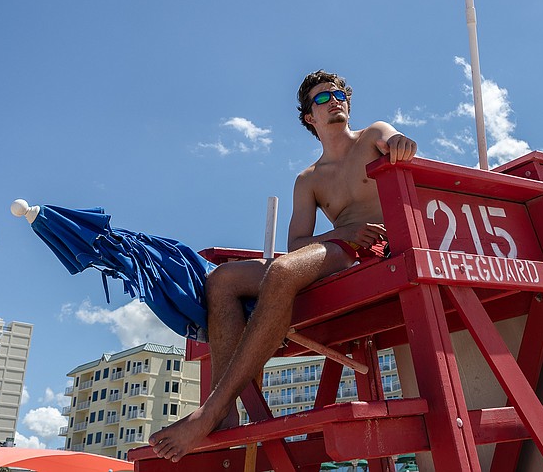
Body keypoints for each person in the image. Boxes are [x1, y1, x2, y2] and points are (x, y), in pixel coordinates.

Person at [149, 70, 417, 462]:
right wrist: (345, 228)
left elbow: (394, 140)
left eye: (339, 94)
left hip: (376, 249)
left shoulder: (372, 135)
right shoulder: (309, 179)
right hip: (338, 246)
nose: (334, 101)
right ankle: (225, 412)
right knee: (222, 279)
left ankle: (210, 411)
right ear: (310, 117)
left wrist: (401, 144)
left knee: (282, 271)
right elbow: (296, 244)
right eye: (323, 99)